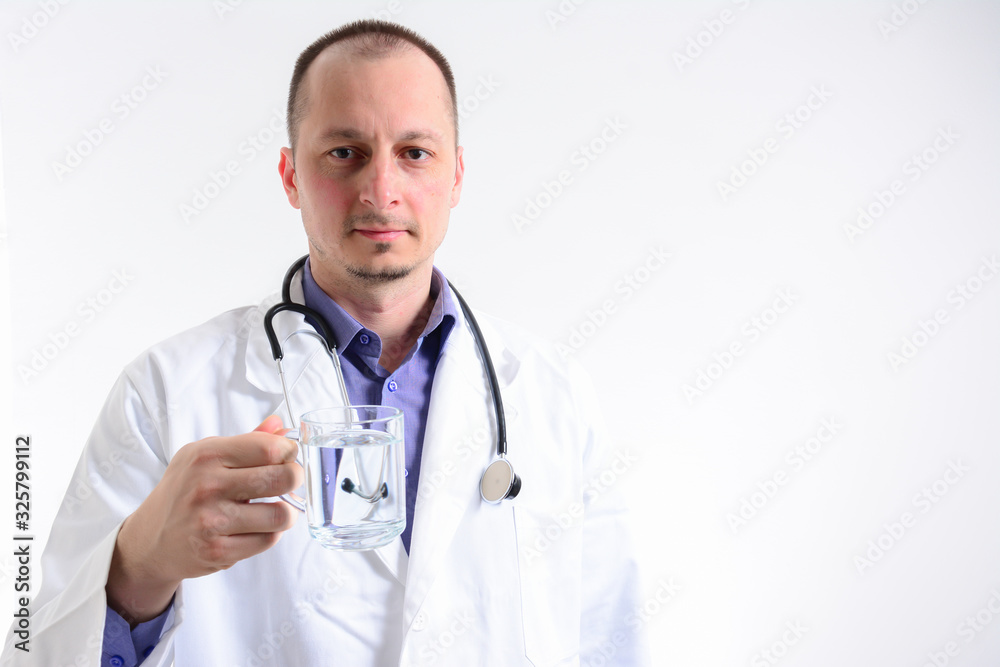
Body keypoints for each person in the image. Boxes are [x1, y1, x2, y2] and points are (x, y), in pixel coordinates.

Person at [2, 20, 648, 666]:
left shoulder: (550, 393)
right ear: (289, 176)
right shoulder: (167, 391)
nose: (381, 190)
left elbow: (612, 640)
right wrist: (138, 565)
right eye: (345, 152)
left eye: (415, 152)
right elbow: (38, 652)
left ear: (456, 177)